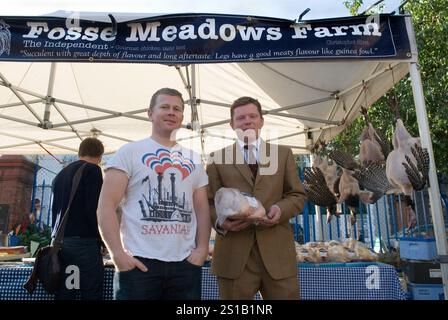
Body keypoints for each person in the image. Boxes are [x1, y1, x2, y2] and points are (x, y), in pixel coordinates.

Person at [97, 88, 210, 300]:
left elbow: (201, 208)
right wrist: (118, 254)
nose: (171, 112)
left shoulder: (194, 158)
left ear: (182, 117)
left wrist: (202, 248)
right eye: (164, 107)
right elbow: (106, 206)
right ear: (150, 113)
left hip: (185, 265)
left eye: (177, 109)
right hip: (140, 265)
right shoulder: (129, 153)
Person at [206, 96, 306, 300]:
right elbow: (208, 202)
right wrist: (221, 222)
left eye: (252, 116)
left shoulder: (283, 154)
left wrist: (281, 210)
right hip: (234, 257)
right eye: (241, 117)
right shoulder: (216, 159)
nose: (247, 121)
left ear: (261, 120)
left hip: (277, 255)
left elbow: (297, 195)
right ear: (232, 124)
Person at [51, 137, 105, 300]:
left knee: (68, 289)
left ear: (79, 152)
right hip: (85, 243)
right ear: (100, 156)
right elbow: (93, 209)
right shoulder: (93, 170)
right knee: (90, 290)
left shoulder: (61, 174)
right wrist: (103, 239)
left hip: (62, 243)